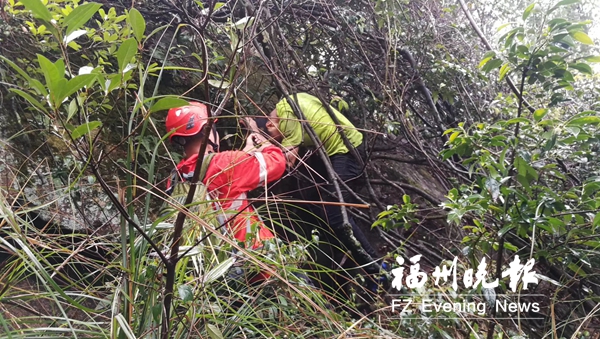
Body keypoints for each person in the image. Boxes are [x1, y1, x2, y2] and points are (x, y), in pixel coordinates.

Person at [243, 93, 386, 290]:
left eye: (276, 138)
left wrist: (261, 143)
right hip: (345, 145)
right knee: (321, 208)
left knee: (335, 215)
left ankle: (377, 269)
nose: (278, 141)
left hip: (347, 150)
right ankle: (355, 262)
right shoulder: (289, 102)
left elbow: (285, 162)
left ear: (271, 125)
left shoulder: (287, 120)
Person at [164, 101, 287, 284]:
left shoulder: (175, 179)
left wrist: (244, 153)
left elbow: (222, 184)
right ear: (207, 131)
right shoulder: (226, 163)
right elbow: (277, 162)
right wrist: (259, 137)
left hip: (218, 277)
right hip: (257, 269)